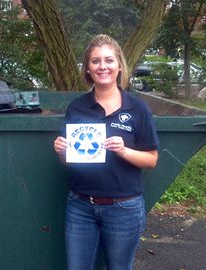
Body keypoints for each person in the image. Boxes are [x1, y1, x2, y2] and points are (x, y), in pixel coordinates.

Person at [53, 34, 159, 270]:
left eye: (109, 60)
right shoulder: (77, 107)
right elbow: (70, 160)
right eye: (95, 61)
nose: (103, 67)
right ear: (88, 69)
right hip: (80, 206)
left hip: (124, 207)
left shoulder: (137, 109)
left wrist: (123, 151)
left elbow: (151, 159)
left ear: (119, 66)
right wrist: (62, 151)